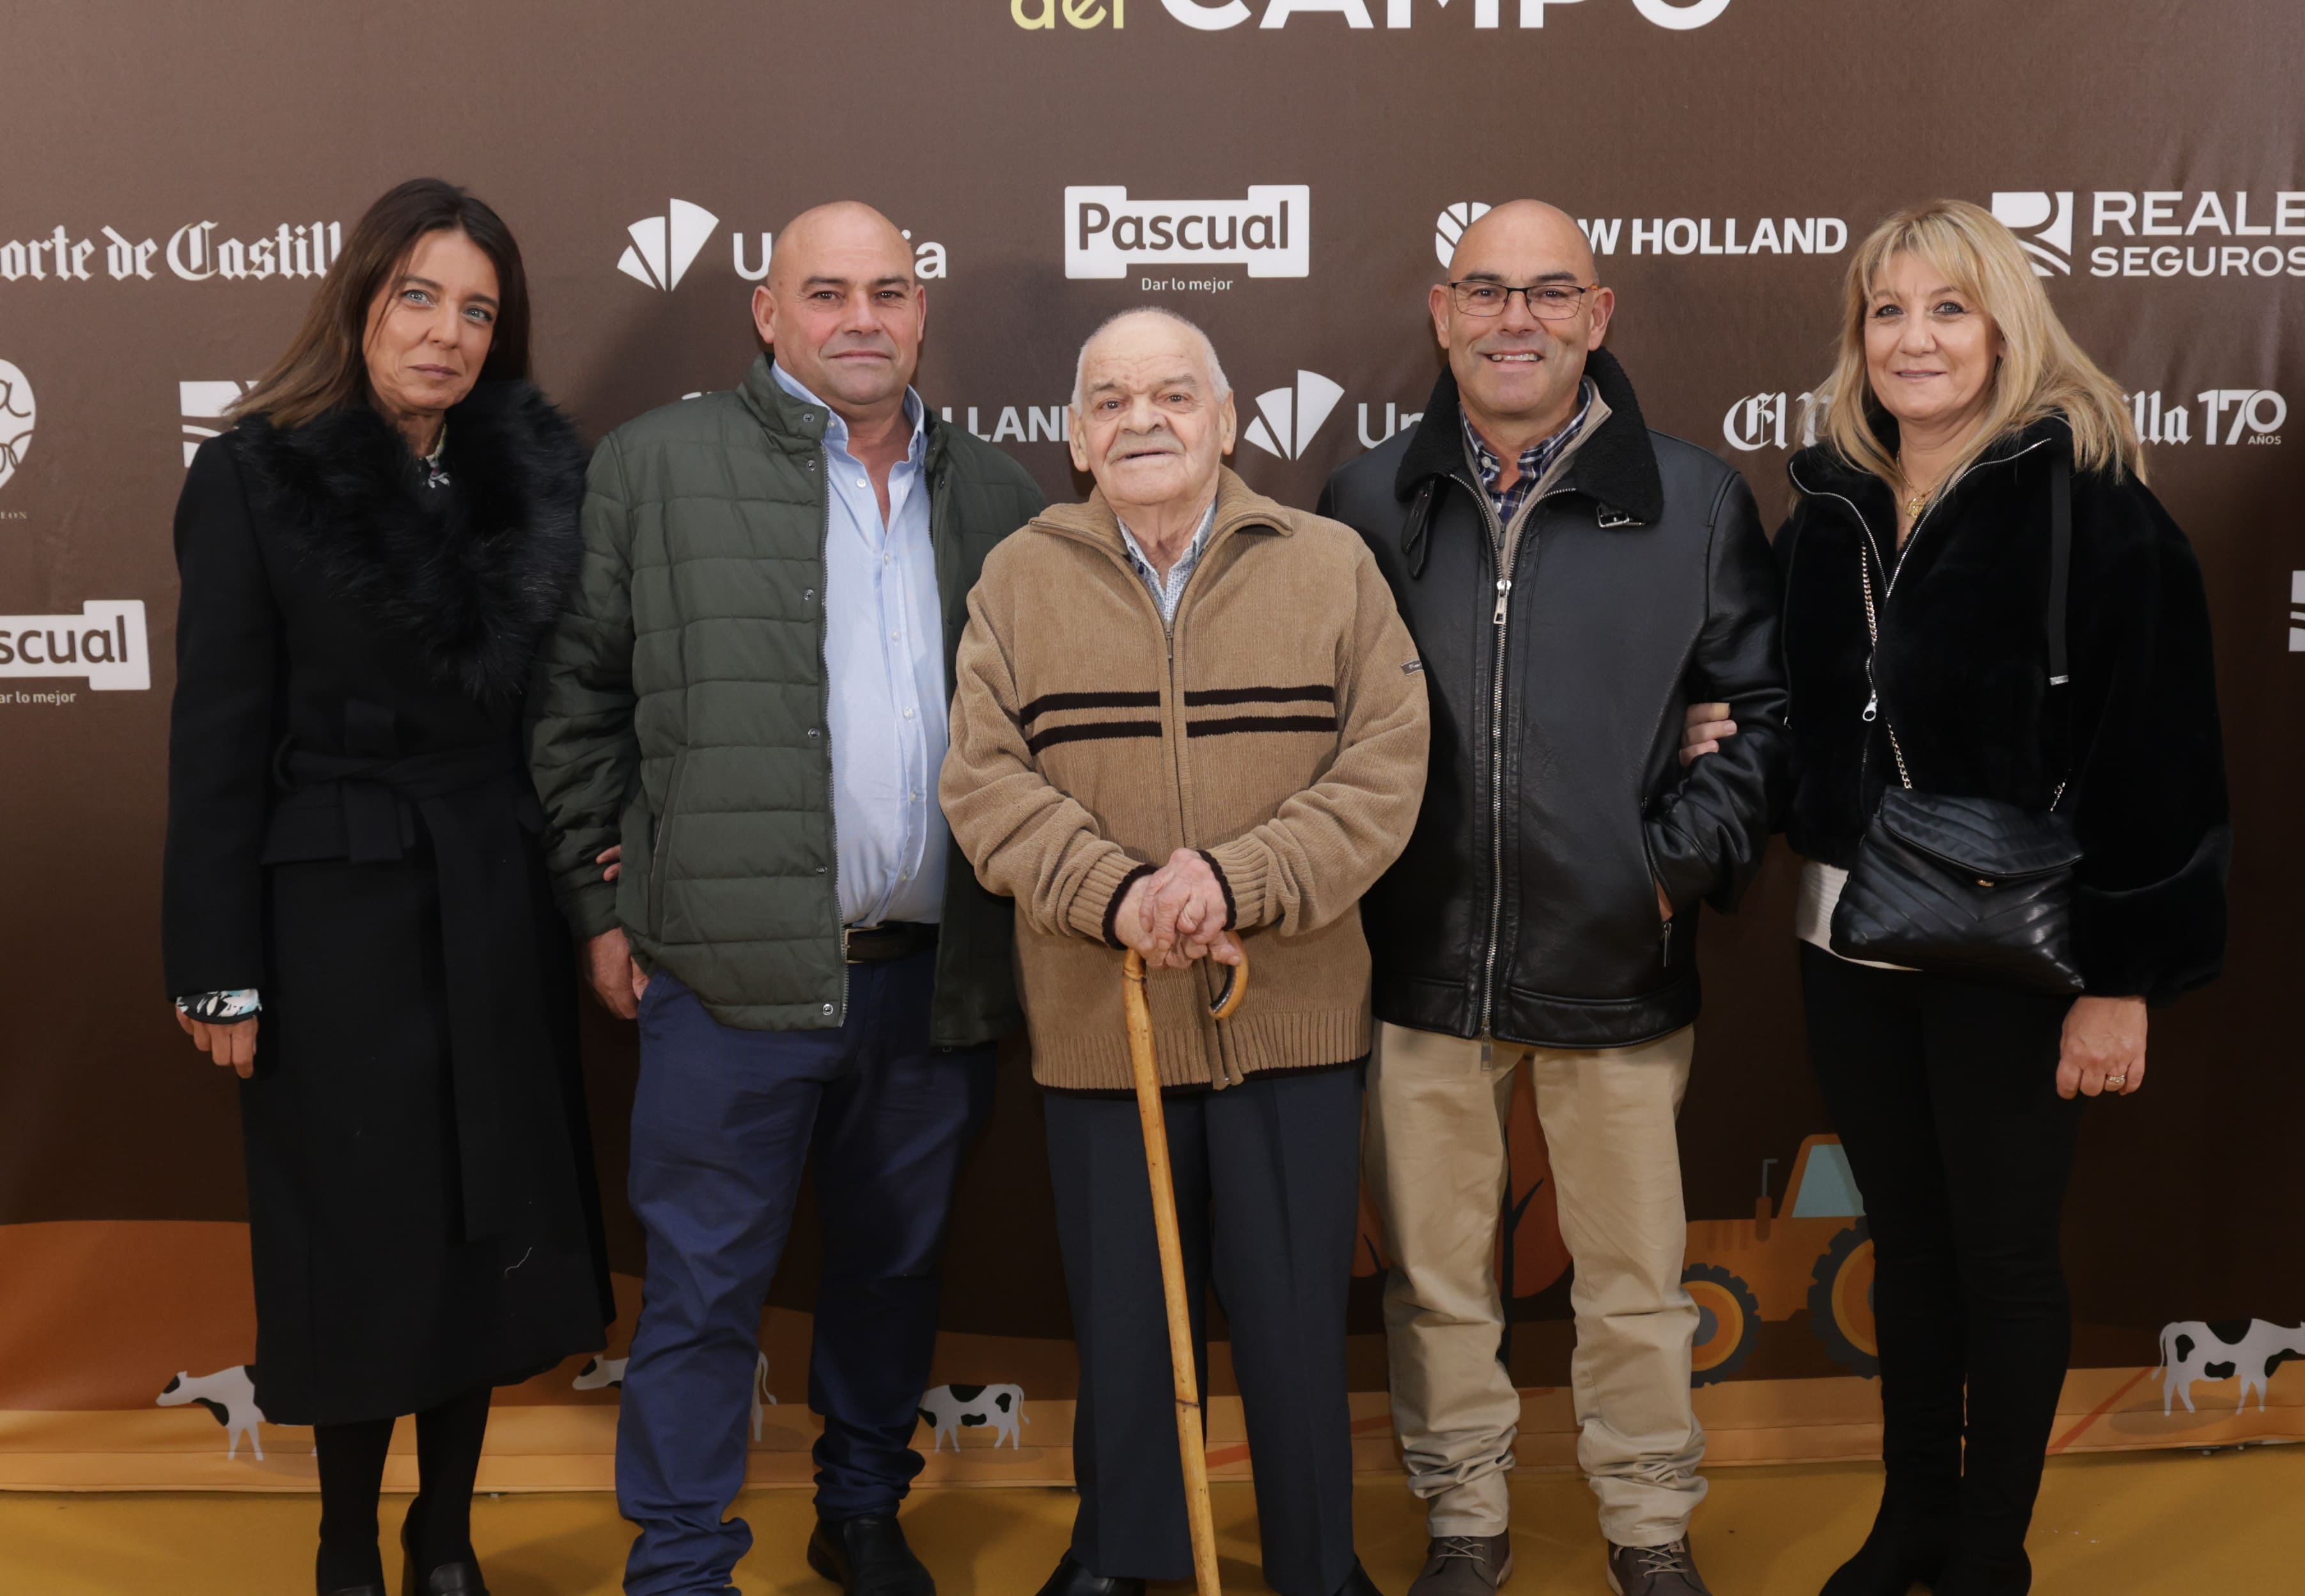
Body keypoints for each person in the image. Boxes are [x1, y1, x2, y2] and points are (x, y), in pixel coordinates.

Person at [527, 202, 1045, 1596]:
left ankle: (862, 1509)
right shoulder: (655, 468)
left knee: (892, 1274)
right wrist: (599, 900)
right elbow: (575, 703)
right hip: (726, 979)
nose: (860, 318)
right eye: (826, 292)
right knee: (700, 1299)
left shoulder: (999, 492)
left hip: (933, 978)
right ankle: (682, 1559)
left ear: (923, 313)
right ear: (768, 313)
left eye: (888, 290)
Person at [1320, 200, 1787, 1596]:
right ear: (1441, 311)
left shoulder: (1695, 501)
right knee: (1437, 1282)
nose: (1514, 317)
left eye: (1547, 292)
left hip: (1616, 960)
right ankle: (1465, 1521)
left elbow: (1762, 716)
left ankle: (1649, 1530)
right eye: (1486, 290)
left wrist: (1666, 871)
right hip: (1420, 963)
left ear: (1600, 313)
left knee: (1635, 1281)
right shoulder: (1365, 497)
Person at [162, 177, 611, 1596]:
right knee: (360, 1237)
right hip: (332, 917)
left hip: (493, 898)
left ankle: (445, 1537)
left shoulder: (532, 476)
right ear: (360, 300)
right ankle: (348, 1538)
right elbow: (216, 742)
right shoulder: (254, 474)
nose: (448, 334)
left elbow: (563, 709)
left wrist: (591, 862)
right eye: (420, 296)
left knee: (487, 1225)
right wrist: (214, 966)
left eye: (478, 309)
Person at [1774, 199, 2228, 1596]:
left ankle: (1989, 1550)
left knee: (2004, 1256)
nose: (1914, 339)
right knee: (1904, 1244)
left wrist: (2123, 979)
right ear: (1857, 337)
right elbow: (1812, 719)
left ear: (2005, 326)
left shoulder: (2096, 513)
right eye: (1888, 311)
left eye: (1948, 308)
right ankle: (1913, 1517)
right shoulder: (1830, 505)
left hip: (2019, 955)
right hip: (1847, 940)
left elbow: (2162, 763)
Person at [941, 308, 1430, 1596]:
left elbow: (1387, 770)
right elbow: (985, 785)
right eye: (1111, 401)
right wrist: (1115, 895)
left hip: (1296, 1024)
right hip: (1110, 1024)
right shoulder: (1017, 580)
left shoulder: (1331, 566)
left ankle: (1317, 1568)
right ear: (1075, 439)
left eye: (1173, 396)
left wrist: (1235, 881)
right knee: (1126, 1330)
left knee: (1290, 1336)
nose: (1143, 420)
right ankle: (1123, 1558)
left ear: (1228, 421)